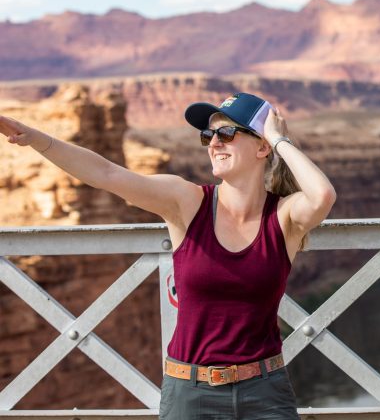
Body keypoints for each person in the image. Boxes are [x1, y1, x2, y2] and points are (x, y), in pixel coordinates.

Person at [0, 92, 336, 420]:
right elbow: (107, 174)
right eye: (209, 135)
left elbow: (322, 195)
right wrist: (35, 139)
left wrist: (279, 138)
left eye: (228, 133)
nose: (214, 143)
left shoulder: (283, 217)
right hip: (190, 393)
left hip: (265, 391)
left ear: (262, 146)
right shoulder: (187, 202)